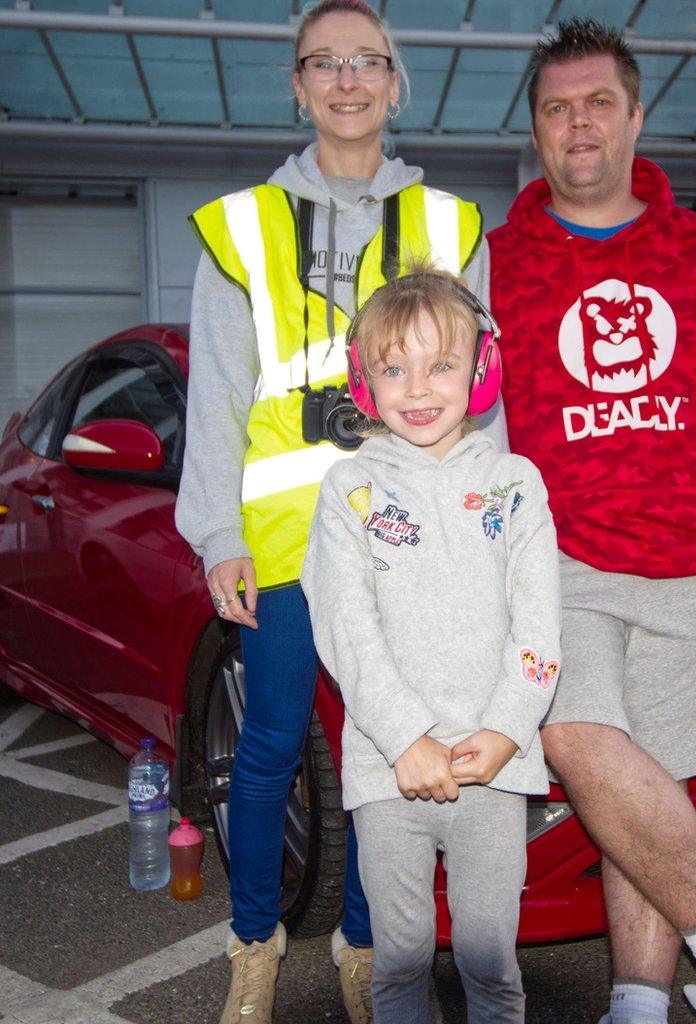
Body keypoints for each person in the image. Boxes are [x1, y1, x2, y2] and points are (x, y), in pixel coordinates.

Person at [486, 18, 696, 1024]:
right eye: (556, 109)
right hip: (568, 566)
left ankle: (637, 1004)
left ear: (635, 115)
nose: (577, 124)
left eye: (597, 103)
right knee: (582, 738)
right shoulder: (494, 264)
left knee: (648, 798)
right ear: (536, 133)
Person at [175, 3, 501, 1022]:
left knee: (379, 746)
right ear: (299, 84)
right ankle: (254, 946)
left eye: (369, 62)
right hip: (282, 538)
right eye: (326, 63)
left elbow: (482, 392)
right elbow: (217, 396)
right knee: (272, 745)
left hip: (408, 534)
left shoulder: (450, 226)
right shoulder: (240, 228)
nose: (348, 80)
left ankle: (367, 947)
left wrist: (484, 527)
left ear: (396, 84)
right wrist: (216, 536)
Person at [300, 268, 561, 1024]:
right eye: (393, 367)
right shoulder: (348, 488)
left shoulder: (517, 484)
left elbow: (539, 629)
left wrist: (509, 728)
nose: (417, 387)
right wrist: (406, 738)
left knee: (491, 964)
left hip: (494, 768)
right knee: (400, 962)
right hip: (388, 771)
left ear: (481, 373)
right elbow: (346, 627)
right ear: (364, 382)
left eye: (441, 364)